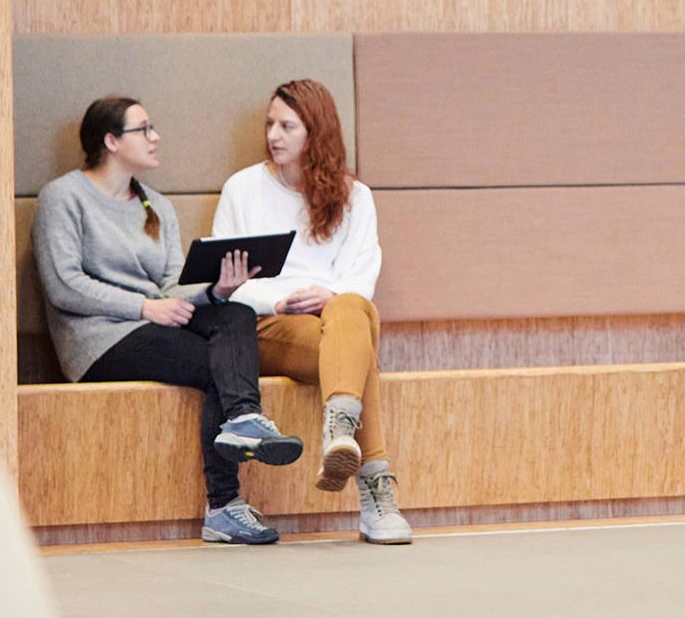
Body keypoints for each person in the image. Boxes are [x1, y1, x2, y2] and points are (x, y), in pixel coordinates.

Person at [33, 96, 303, 545]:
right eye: (145, 129)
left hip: (154, 322)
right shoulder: (63, 198)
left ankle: (244, 420)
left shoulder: (155, 205)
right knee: (219, 364)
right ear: (111, 141)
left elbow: (170, 285)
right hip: (98, 339)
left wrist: (216, 290)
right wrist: (144, 308)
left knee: (233, 313)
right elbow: (65, 285)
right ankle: (224, 504)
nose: (156, 137)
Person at [212, 78, 413, 545]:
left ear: (315, 133)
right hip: (267, 327)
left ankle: (340, 424)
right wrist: (275, 300)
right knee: (361, 328)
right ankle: (374, 484)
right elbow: (227, 291)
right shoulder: (242, 188)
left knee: (352, 309)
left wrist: (327, 295)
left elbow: (361, 279)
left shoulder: (355, 197)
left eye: (287, 125)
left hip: (332, 327)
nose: (273, 136)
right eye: (270, 124)